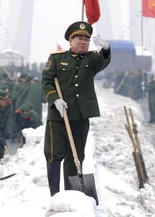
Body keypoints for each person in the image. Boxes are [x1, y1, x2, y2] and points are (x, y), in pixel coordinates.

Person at [41, 21, 111, 196]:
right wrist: (55, 99)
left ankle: (71, 194)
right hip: (58, 116)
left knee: (76, 157)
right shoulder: (57, 58)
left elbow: (103, 61)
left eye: (86, 39)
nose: (83, 42)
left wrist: (107, 49)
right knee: (54, 155)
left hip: (80, 116)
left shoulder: (92, 59)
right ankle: (55, 194)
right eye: (79, 38)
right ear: (70, 40)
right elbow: (47, 82)